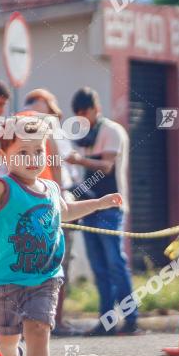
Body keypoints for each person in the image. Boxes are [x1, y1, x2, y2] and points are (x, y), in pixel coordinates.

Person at [0, 116, 123, 356]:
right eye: (23, 152)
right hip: (7, 279)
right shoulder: (2, 187)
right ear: (4, 156)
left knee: (39, 330)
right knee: (6, 339)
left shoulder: (50, 188)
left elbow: (68, 211)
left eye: (38, 151)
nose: (32, 158)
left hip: (45, 278)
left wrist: (99, 203)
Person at [64, 87, 138, 336]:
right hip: (89, 207)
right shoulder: (84, 136)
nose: (83, 118)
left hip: (112, 207)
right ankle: (107, 321)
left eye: (86, 113)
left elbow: (106, 166)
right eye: (79, 114)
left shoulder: (111, 131)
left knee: (115, 263)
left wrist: (79, 160)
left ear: (96, 109)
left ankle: (131, 319)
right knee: (99, 267)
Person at [22, 88, 77, 335]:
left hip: (24, 201)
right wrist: (61, 194)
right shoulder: (50, 125)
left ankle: (28, 319)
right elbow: (59, 159)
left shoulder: (15, 124)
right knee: (57, 261)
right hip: (49, 200)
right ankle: (55, 320)